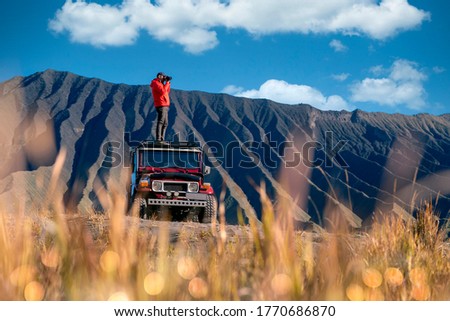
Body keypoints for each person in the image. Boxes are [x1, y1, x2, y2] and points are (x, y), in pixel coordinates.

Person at [150, 72, 172, 142]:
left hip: (165, 104)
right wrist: (167, 83)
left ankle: (162, 138)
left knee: (165, 123)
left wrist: (167, 83)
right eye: (163, 76)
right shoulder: (155, 83)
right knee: (161, 121)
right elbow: (163, 92)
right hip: (161, 104)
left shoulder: (161, 84)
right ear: (159, 76)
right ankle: (158, 139)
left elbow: (167, 91)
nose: (164, 78)